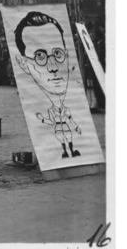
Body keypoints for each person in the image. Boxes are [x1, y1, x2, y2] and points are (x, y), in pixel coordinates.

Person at [14, 11, 81, 159]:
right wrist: (42, 119)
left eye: (58, 54)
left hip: (67, 130)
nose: (53, 67)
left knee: (68, 138)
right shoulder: (49, 109)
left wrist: (76, 127)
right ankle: (64, 151)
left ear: (67, 54)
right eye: (40, 56)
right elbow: (51, 121)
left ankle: (71, 151)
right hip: (57, 130)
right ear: (23, 64)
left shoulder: (69, 106)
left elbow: (71, 120)